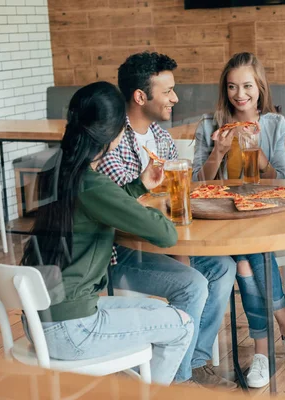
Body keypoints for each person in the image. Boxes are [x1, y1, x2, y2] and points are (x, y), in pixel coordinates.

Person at [20, 81, 193, 385]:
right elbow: (166, 235)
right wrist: (152, 208)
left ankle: (138, 385)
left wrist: (137, 187)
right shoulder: (91, 183)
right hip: (72, 330)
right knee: (182, 324)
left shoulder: (56, 170)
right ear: (113, 135)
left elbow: (94, 204)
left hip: (39, 320)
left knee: (159, 310)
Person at [96, 52, 237, 390]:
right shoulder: (112, 140)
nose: (175, 98)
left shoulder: (160, 136)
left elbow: (179, 195)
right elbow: (129, 214)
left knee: (223, 267)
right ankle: (179, 380)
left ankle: (194, 359)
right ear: (140, 97)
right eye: (168, 91)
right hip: (125, 252)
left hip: (166, 240)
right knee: (194, 283)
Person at [192, 52, 285, 388]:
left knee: (248, 264)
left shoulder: (274, 124)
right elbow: (194, 184)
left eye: (247, 85)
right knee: (252, 256)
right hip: (219, 219)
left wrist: (257, 154)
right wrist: (217, 153)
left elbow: (282, 180)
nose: (240, 94)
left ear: (260, 87)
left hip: (262, 215)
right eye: (232, 86)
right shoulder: (209, 125)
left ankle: (263, 354)